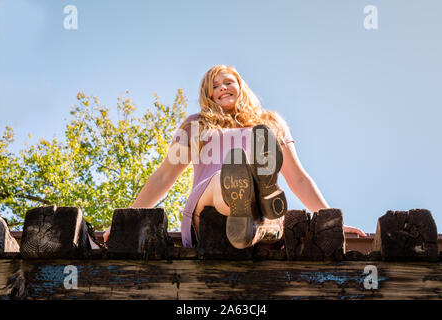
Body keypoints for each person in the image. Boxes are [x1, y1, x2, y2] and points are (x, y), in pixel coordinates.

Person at [103, 64, 366, 247]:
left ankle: (258, 210)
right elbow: (163, 177)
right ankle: (253, 196)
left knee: (250, 178)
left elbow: (298, 178)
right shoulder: (196, 125)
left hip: (258, 214)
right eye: (215, 85)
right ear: (208, 94)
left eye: (229, 82)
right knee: (225, 177)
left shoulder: (270, 123)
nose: (223, 88)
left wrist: (331, 221)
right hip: (207, 210)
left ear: (241, 86)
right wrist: (125, 219)